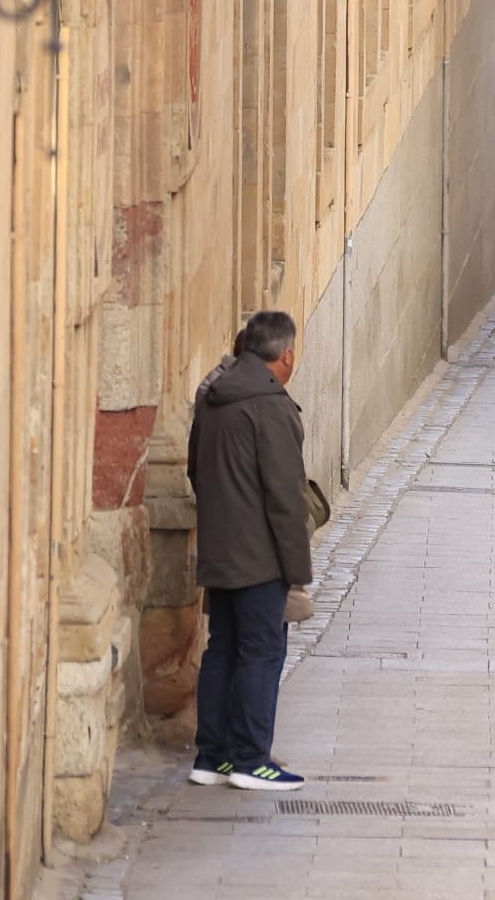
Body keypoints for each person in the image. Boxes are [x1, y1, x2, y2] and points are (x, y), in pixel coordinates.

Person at [186, 310, 312, 792]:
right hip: (260, 555)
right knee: (261, 651)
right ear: (286, 355)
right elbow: (286, 496)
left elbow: (195, 470)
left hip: (220, 546)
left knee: (222, 649)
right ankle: (252, 760)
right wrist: (297, 569)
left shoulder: (213, 396)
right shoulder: (270, 406)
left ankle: (211, 756)